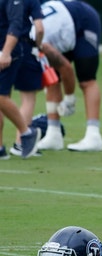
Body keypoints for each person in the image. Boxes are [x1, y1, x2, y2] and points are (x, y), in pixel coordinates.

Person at [35, 0, 102, 152]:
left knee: (87, 80)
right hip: (61, 29)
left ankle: (94, 135)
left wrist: (69, 98)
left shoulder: (37, 41)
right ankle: (53, 134)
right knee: (51, 78)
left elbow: (65, 67)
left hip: (83, 20)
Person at [0, 0, 42, 159]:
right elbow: (39, 28)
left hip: (9, 52)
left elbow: (15, 25)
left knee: (2, 96)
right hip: (18, 49)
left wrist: (6, 52)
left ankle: (26, 133)